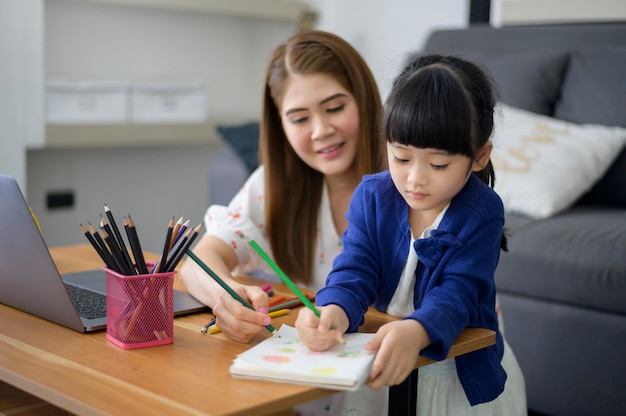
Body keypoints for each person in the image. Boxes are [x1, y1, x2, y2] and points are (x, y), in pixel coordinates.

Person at [295, 54, 527, 415]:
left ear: (479, 156)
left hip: (450, 373)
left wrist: (417, 331)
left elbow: (458, 293)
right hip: (384, 361)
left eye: (438, 165)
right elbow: (355, 267)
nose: (415, 179)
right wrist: (333, 308)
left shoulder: (483, 212)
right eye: (401, 158)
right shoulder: (373, 196)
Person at [179, 30, 386, 343]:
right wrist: (226, 294)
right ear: (281, 126)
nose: (321, 131)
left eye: (334, 108)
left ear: (364, 100)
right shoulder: (275, 184)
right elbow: (196, 264)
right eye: (300, 119)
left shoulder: (413, 179)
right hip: (318, 369)